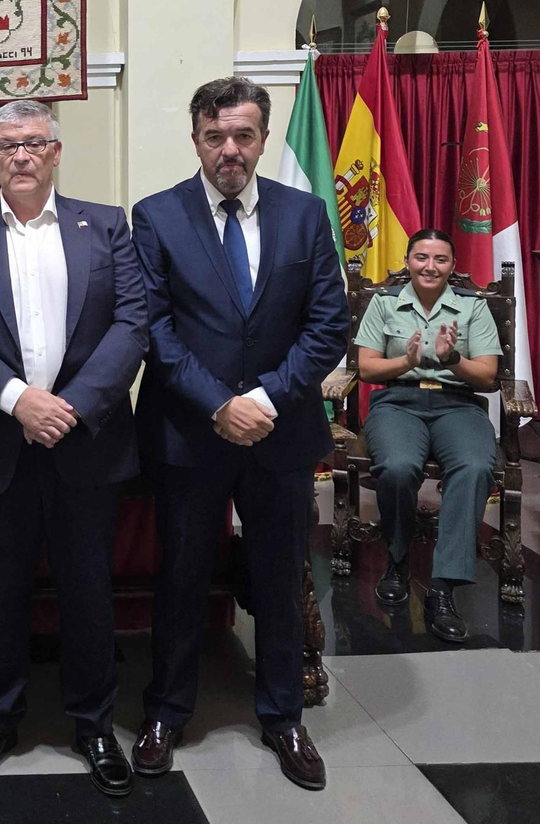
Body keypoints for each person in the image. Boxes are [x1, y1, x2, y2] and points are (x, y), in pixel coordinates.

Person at [130, 77, 347, 792]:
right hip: (190, 434)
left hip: (280, 434)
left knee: (281, 579)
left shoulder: (305, 214)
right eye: (216, 135)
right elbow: (154, 330)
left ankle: (284, 716)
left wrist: (262, 399)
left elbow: (326, 327)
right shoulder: (156, 216)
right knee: (183, 577)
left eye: (244, 135)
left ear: (261, 137)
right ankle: (165, 711)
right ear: (195, 138)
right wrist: (220, 404)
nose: (230, 149)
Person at [0, 100, 147, 796]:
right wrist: (18, 399)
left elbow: (133, 323)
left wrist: (71, 408)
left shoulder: (106, 225)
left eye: (34, 143)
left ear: (56, 152)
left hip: (87, 443)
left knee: (89, 590)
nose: (21, 155)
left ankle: (92, 724)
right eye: (7, 145)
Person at [354, 228, 500, 643]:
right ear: (408, 261)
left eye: (440, 259)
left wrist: (452, 358)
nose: (430, 267)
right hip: (398, 403)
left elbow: (488, 376)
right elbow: (366, 368)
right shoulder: (384, 304)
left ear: (452, 266)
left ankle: (443, 587)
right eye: (421, 258)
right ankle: (398, 559)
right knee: (399, 467)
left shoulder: (472, 308)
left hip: (458, 404)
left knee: (473, 467)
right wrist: (405, 360)